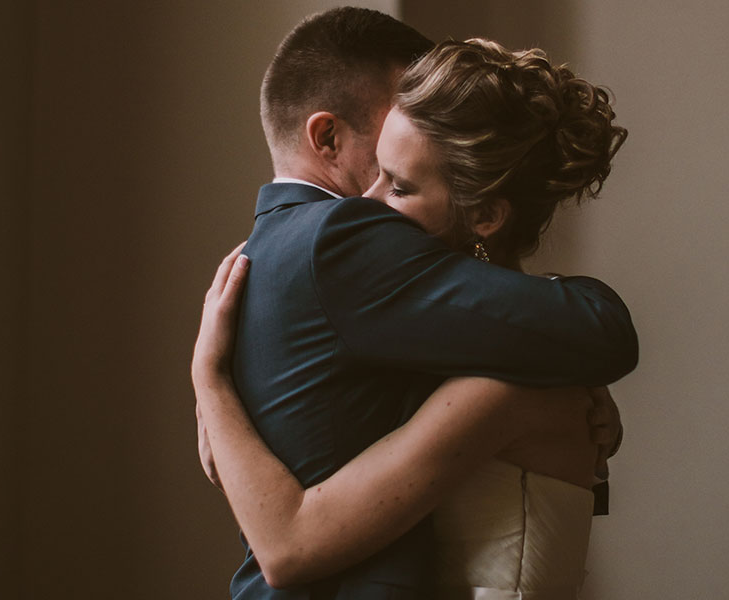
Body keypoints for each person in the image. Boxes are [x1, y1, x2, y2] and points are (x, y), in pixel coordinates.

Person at [197, 8, 636, 600]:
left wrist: (551, 365)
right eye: (380, 156)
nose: (377, 197)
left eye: (398, 180)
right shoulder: (341, 240)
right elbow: (600, 331)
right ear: (326, 135)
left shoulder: (266, 251)